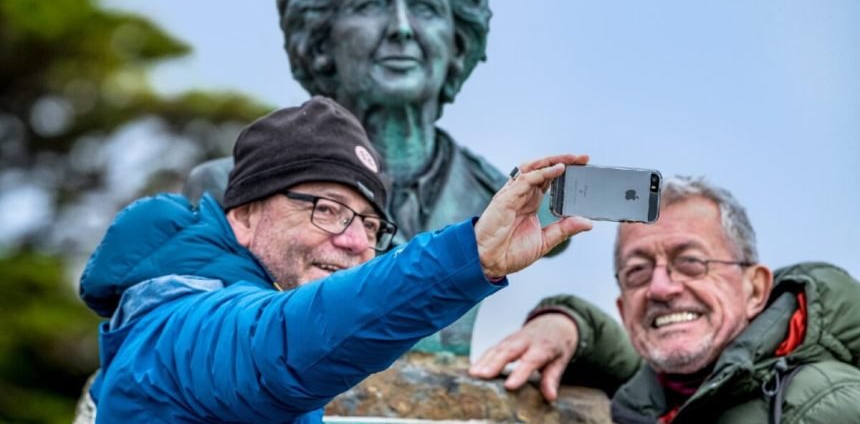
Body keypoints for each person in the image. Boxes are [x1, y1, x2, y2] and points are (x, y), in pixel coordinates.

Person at [79, 96, 593, 422]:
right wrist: (468, 255)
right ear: (244, 216)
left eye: (370, 224)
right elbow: (276, 347)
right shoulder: (175, 324)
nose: (353, 242)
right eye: (326, 209)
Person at [184, 0, 564, 354]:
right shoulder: (227, 189)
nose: (401, 28)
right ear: (321, 37)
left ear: (457, 40)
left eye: (425, 6)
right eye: (370, 4)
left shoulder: (504, 201)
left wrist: (568, 321)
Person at [470, 176, 860, 422]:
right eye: (638, 271)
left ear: (755, 288)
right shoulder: (669, 390)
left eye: (690, 262)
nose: (660, 288)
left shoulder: (825, 405)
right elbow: (630, 367)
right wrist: (566, 323)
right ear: (623, 309)